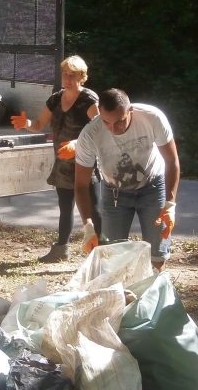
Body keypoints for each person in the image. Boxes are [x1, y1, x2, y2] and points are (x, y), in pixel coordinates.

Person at [73, 88, 180, 269]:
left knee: (157, 252)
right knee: (113, 255)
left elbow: (172, 161)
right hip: (114, 193)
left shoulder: (152, 118)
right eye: (107, 122)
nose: (114, 129)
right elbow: (81, 184)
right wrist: (88, 226)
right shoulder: (90, 134)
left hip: (153, 186)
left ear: (130, 111)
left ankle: (152, 291)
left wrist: (170, 204)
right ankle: (123, 295)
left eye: (120, 122)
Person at [12, 55, 100, 262]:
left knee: (92, 208)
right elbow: (39, 124)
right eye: (65, 74)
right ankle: (62, 249)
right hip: (62, 165)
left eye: (73, 75)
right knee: (65, 207)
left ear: (82, 77)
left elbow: (101, 131)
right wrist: (26, 123)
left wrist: (77, 145)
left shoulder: (89, 100)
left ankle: (101, 250)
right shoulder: (55, 99)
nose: (67, 79)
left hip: (85, 163)